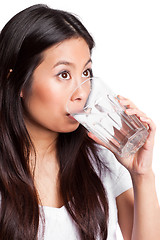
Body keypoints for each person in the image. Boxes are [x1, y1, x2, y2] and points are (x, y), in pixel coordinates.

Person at [0, 4, 159, 240]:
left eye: (86, 73)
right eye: (63, 74)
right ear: (19, 83)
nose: (81, 92)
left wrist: (142, 174)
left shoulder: (102, 159)